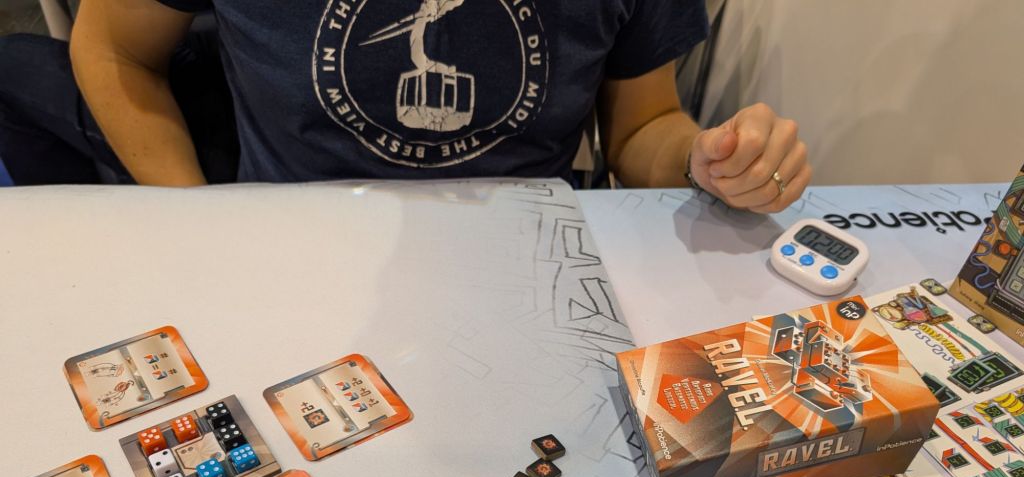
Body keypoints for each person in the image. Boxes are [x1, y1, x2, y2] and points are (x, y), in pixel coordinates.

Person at [1, 0, 811, 211]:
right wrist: (197, 220)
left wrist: (709, 160)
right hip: (292, 234)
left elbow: (642, 128)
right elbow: (112, 48)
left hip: (523, 256)